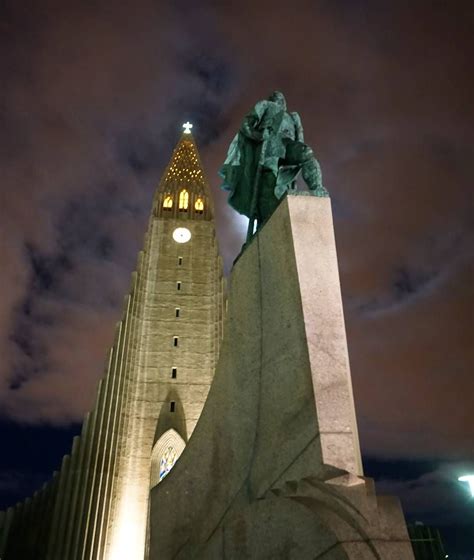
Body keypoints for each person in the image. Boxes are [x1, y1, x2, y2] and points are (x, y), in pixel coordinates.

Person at [219, 91, 327, 236]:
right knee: (270, 178)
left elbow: (299, 137)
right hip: (270, 149)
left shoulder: (293, 117)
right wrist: (258, 135)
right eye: (275, 97)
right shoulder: (265, 106)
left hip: (288, 145)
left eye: (281, 98)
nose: (279, 99)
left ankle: (317, 188)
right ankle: (267, 218)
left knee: (306, 153)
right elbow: (246, 124)